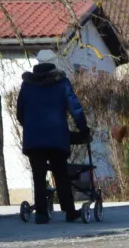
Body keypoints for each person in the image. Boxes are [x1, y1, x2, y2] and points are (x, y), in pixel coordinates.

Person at [16, 50, 89, 224]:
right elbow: (75, 108)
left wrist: (31, 127)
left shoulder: (27, 85)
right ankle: (69, 211)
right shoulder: (61, 83)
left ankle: (41, 213)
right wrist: (83, 129)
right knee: (61, 174)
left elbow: (20, 113)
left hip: (34, 139)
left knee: (38, 176)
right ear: (54, 64)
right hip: (57, 138)